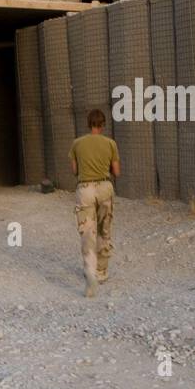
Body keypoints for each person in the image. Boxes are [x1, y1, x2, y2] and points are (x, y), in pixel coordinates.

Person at [70, 109, 119, 297]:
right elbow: (117, 171)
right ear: (103, 124)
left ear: (88, 123)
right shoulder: (110, 143)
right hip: (105, 187)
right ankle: (102, 271)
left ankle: (89, 271)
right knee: (104, 229)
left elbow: (74, 171)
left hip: (85, 189)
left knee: (87, 231)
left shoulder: (77, 144)